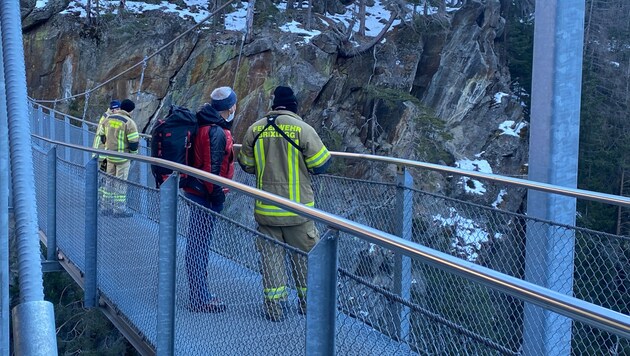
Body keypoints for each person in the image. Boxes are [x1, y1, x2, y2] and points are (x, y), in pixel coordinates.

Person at [238, 85, 331, 321]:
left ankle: (275, 309)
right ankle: (308, 306)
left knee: (271, 261)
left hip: (266, 210)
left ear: (273, 105)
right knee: (305, 260)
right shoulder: (303, 129)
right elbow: (321, 165)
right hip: (298, 211)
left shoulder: (255, 129)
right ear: (293, 107)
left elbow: (246, 164)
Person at [182, 86, 237, 313]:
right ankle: (200, 298)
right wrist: (218, 199)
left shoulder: (203, 124)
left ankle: (200, 293)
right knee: (199, 246)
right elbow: (212, 171)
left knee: (197, 244)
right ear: (229, 107)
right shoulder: (215, 132)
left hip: (195, 191)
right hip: (205, 195)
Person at [98, 98, 139, 218]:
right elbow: (133, 143)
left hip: (110, 156)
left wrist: (107, 146)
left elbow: (102, 135)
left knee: (109, 181)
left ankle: (105, 207)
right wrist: (133, 154)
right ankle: (119, 209)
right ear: (130, 110)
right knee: (120, 184)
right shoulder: (129, 123)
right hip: (122, 158)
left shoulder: (109, 118)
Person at [93, 100, 120, 171]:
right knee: (102, 173)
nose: (119, 111)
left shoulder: (106, 115)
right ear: (113, 109)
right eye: (118, 109)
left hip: (98, 149)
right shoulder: (109, 118)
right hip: (102, 150)